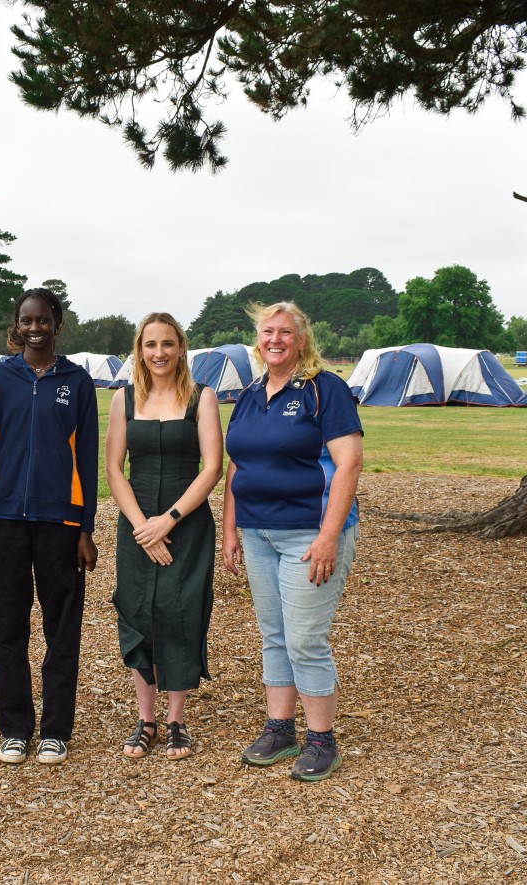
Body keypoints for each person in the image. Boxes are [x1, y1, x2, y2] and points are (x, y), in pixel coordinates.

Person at [222, 301, 363, 782]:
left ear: (302, 341)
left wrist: (328, 537)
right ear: (258, 341)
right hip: (258, 532)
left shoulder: (326, 390)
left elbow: (349, 464)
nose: (275, 339)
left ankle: (322, 740)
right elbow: (237, 464)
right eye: (268, 332)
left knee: (305, 638)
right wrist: (230, 529)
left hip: (309, 532)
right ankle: (280, 728)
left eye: (286, 332)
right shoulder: (250, 394)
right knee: (275, 635)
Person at [0, 287, 99, 765]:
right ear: (17, 325)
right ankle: (14, 729)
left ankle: (55, 730)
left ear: (57, 323)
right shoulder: (1, 376)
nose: (34, 328)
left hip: (60, 521)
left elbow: (85, 457)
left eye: (42, 320)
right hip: (6, 517)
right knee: (6, 628)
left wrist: (85, 526)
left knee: (61, 628)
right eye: (26, 320)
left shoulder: (77, 381)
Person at [106, 313, 223, 760]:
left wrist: (168, 520)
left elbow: (212, 467)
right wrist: (142, 527)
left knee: (180, 613)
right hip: (137, 525)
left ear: (181, 348)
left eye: (168, 344)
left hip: (186, 523)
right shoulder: (125, 399)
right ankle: (146, 719)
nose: (159, 353)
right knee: (139, 614)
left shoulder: (201, 398)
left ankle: (176, 720)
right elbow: (114, 468)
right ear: (140, 349)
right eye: (150, 344)